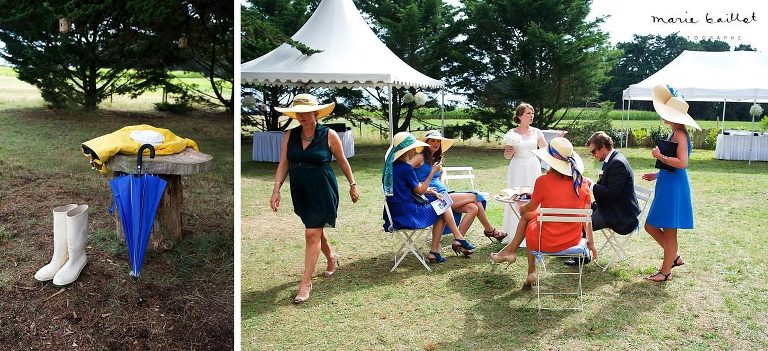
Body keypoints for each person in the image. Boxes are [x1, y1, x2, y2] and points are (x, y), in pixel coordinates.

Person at [269, 93, 360, 304]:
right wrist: (276, 189)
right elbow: (283, 164)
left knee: (311, 232)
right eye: (297, 113)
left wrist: (353, 185)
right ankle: (330, 256)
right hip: (300, 188)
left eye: (305, 112)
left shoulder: (328, 134)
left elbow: (343, 161)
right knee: (314, 228)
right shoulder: (289, 135)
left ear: (316, 112)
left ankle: (305, 283)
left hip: (322, 187)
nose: (301, 117)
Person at [490, 137, 597, 286]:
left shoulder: (543, 181)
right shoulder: (582, 183)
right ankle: (512, 254)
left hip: (545, 240)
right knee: (532, 218)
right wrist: (591, 243)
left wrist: (523, 209)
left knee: (528, 220)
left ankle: (528, 269)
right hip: (571, 240)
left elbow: (531, 207)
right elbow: (587, 220)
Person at [383, 131, 477, 263]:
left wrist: (432, 192)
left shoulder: (390, 168)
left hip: (393, 215)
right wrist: (432, 172)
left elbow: (407, 188)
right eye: (413, 147)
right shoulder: (406, 168)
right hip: (409, 216)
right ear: (407, 150)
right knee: (442, 204)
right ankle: (458, 238)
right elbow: (420, 191)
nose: (415, 150)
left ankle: (435, 252)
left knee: (441, 206)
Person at [641, 84, 699, 282]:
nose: (662, 114)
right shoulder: (675, 133)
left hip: (674, 187)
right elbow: (674, 164)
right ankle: (673, 257)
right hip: (668, 184)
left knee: (668, 228)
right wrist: (656, 174)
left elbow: (682, 163)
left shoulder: (679, 134)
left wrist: (660, 156)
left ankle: (666, 271)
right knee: (653, 226)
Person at [409, 130, 507, 242]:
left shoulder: (436, 158)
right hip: (433, 198)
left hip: (443, 194)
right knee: (476, 197)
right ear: (426, 143)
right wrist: (420, 185)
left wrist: (441, 179)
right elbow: (405, 172)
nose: (436, 144)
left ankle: (458, 242)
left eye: (438, 141)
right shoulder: (420, 157)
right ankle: (490, 230)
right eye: (432, 141)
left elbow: (442, 171)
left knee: (473, 207)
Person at [564, 131, 640, 266]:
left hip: (620, 215)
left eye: (594, 152)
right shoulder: (612, 159)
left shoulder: (617, 163)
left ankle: (581, 256)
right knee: (578, 214)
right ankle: (578, 251)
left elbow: (612, 193)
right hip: (610, 207)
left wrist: (592, 185)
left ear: (604, 147)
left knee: (581, 223)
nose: (593, 155)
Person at [501, 103, 548, 241]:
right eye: (528, 113)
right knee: (517, 197)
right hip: (517, 167)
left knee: (534, 197)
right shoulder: (512, 133)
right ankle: (514, 232)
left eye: (532, 113)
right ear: (520, 116)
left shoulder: (537, 132)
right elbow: (507, 156)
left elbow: (545, 150)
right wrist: (509, 151)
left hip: (533, 166)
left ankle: (533, 232)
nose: (531, 115)